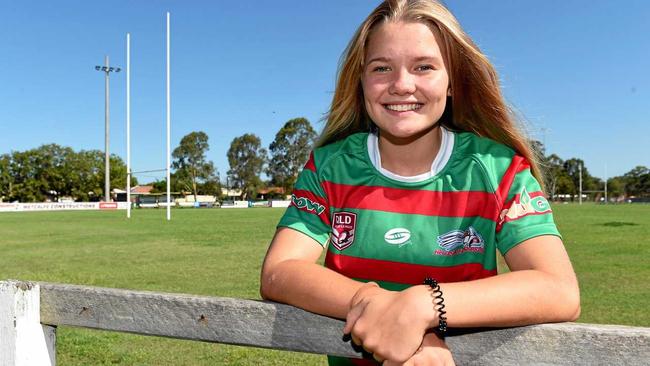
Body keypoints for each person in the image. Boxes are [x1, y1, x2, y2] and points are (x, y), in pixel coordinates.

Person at [260, 0, 580, 365]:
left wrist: (425, 305)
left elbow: (559, 289)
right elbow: (279, 272)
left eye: (423, 67)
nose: (401, 85)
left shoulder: (498, 169)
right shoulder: (331, 167)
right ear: (361, 82)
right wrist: (374, 303)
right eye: (381, 68)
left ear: (452, 82)